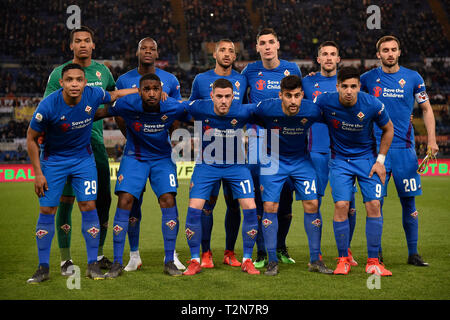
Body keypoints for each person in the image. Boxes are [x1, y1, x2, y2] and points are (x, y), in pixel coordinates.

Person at [26, 63, 136, 283]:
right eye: (69, 80)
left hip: (83, 161)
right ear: (62, 82)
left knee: (88, 206)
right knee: (47, 209)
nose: (74, 84)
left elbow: (114, 94)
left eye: (78, 80)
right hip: (53, 161)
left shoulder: (94, 93)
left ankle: (92, 265)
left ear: (85, 82)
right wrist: (38, 173)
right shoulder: (48, 105)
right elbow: (30, 138)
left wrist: (139, 90)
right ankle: (43, 267)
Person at [95, 73, 188, 278]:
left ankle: (169, 260)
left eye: (156, 89)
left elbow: (195, 112)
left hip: (162, 158)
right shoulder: (126, 104)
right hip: (134, 157)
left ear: (161, 90)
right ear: (139, 91)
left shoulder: (172, 105)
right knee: (125, 200)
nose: (152, 93)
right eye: (147, 89)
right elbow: (101, 112)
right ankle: (118, 262)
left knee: (168, 199)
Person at [44, 26, 116, 275]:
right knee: (65, 201)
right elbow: (52, 109)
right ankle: (65, 259)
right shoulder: (59, 74)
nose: (83, 44)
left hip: (94, 146)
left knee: (102, 200)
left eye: (87, 40)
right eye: (78, 41)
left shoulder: (103, 71)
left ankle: (97, 254)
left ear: (93, 45)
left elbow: (113, 101)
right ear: (71, 46)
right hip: (65, 148)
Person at [360, 35, 438, 266]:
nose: (390, 53)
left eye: (394, 49)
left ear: (399, 52)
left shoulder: (413, 77)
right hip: (376, 152)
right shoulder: (367, 79)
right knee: (375, 203)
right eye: (385, 50)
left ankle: (413, 253)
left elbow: (427, 109)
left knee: (409, 203)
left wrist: (432, 140)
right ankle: (377, 254)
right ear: (378, 55)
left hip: (405, 151)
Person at [314, 66, 394, 276]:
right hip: (340, 160)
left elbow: (389, 129)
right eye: (344, 86)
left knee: (374, 204)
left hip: (367, 160)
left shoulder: (372, 104)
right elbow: (306, 114)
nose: (349, 91)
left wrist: (380, 160)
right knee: (341, 205)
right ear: (337, 87)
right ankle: (343, 259)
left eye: (353, 86)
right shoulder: (324, 101)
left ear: (359, 87)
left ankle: (373, 262)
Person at [115, 37, 185, 272]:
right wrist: (135, 133)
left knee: (168, 199)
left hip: (161, 154)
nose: (147, 52)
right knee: (130, 202)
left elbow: (176, 113)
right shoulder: (124, 80)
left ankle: (171, 256)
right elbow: (118, 114)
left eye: (151, 48)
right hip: (135, 153)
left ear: (157, 53)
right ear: (137, 52)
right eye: (143, 48)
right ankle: (132, 255)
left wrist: (173, 139)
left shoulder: (171, 80)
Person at [253, 75, 333, 275]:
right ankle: (272, 260)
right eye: (288, 96)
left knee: (312, 204)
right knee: (270, 206)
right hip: (273, 161)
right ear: (280, 95)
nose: (293, 101)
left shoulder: (312, 110)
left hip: (301, 162)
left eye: (297, 96)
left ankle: (316, 259)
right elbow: (245, 114)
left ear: (302, 95)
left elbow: (335, 117)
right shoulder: (266, 107)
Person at [182, 78, 260, 276]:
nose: (223, 101)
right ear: (211, 96)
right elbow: (175, 106)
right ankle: (195, 260)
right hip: (207, 165)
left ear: (233, 97)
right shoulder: (199, 107)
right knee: (194, 209)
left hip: (236, 166)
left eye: (227, 96)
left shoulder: (243, 110)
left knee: (250, 207)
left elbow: (269, 109)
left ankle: (247, 260)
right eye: (219, 96)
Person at [241, 28, 302, 268]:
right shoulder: (249, 71)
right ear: (257, 47)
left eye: (271, 42)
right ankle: (261, 251)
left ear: (278, 44)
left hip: (286, 140)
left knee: (285, 197)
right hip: (258, 141)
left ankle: (281, 245)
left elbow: (300, 101)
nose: (267, 46)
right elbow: (241, 102)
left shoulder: (292, 69)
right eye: (262, 43)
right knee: (259, 197)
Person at [188, 39, 248, 268]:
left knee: (234, 205)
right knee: (206, 205)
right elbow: (192, 110)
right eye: (222, 49)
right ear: (214, 54)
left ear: (235, 56)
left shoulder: (242, 80)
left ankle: (230, 252)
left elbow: (248, 111)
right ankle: (205, 253)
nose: (226, 54)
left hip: (235, 156)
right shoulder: (201, 80)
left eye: (231, 51)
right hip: (209, 156)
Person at [302, 41, 358, 268]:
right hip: (315, 151)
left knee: (349, 205)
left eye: (332, 54)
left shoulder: (348, 84)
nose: (328, 58)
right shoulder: (307, 82)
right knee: (313, 203)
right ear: (318, 59)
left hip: (343, 154)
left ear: (338, 59)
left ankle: (345, 251)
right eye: (324, 54)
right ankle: (315, 256)